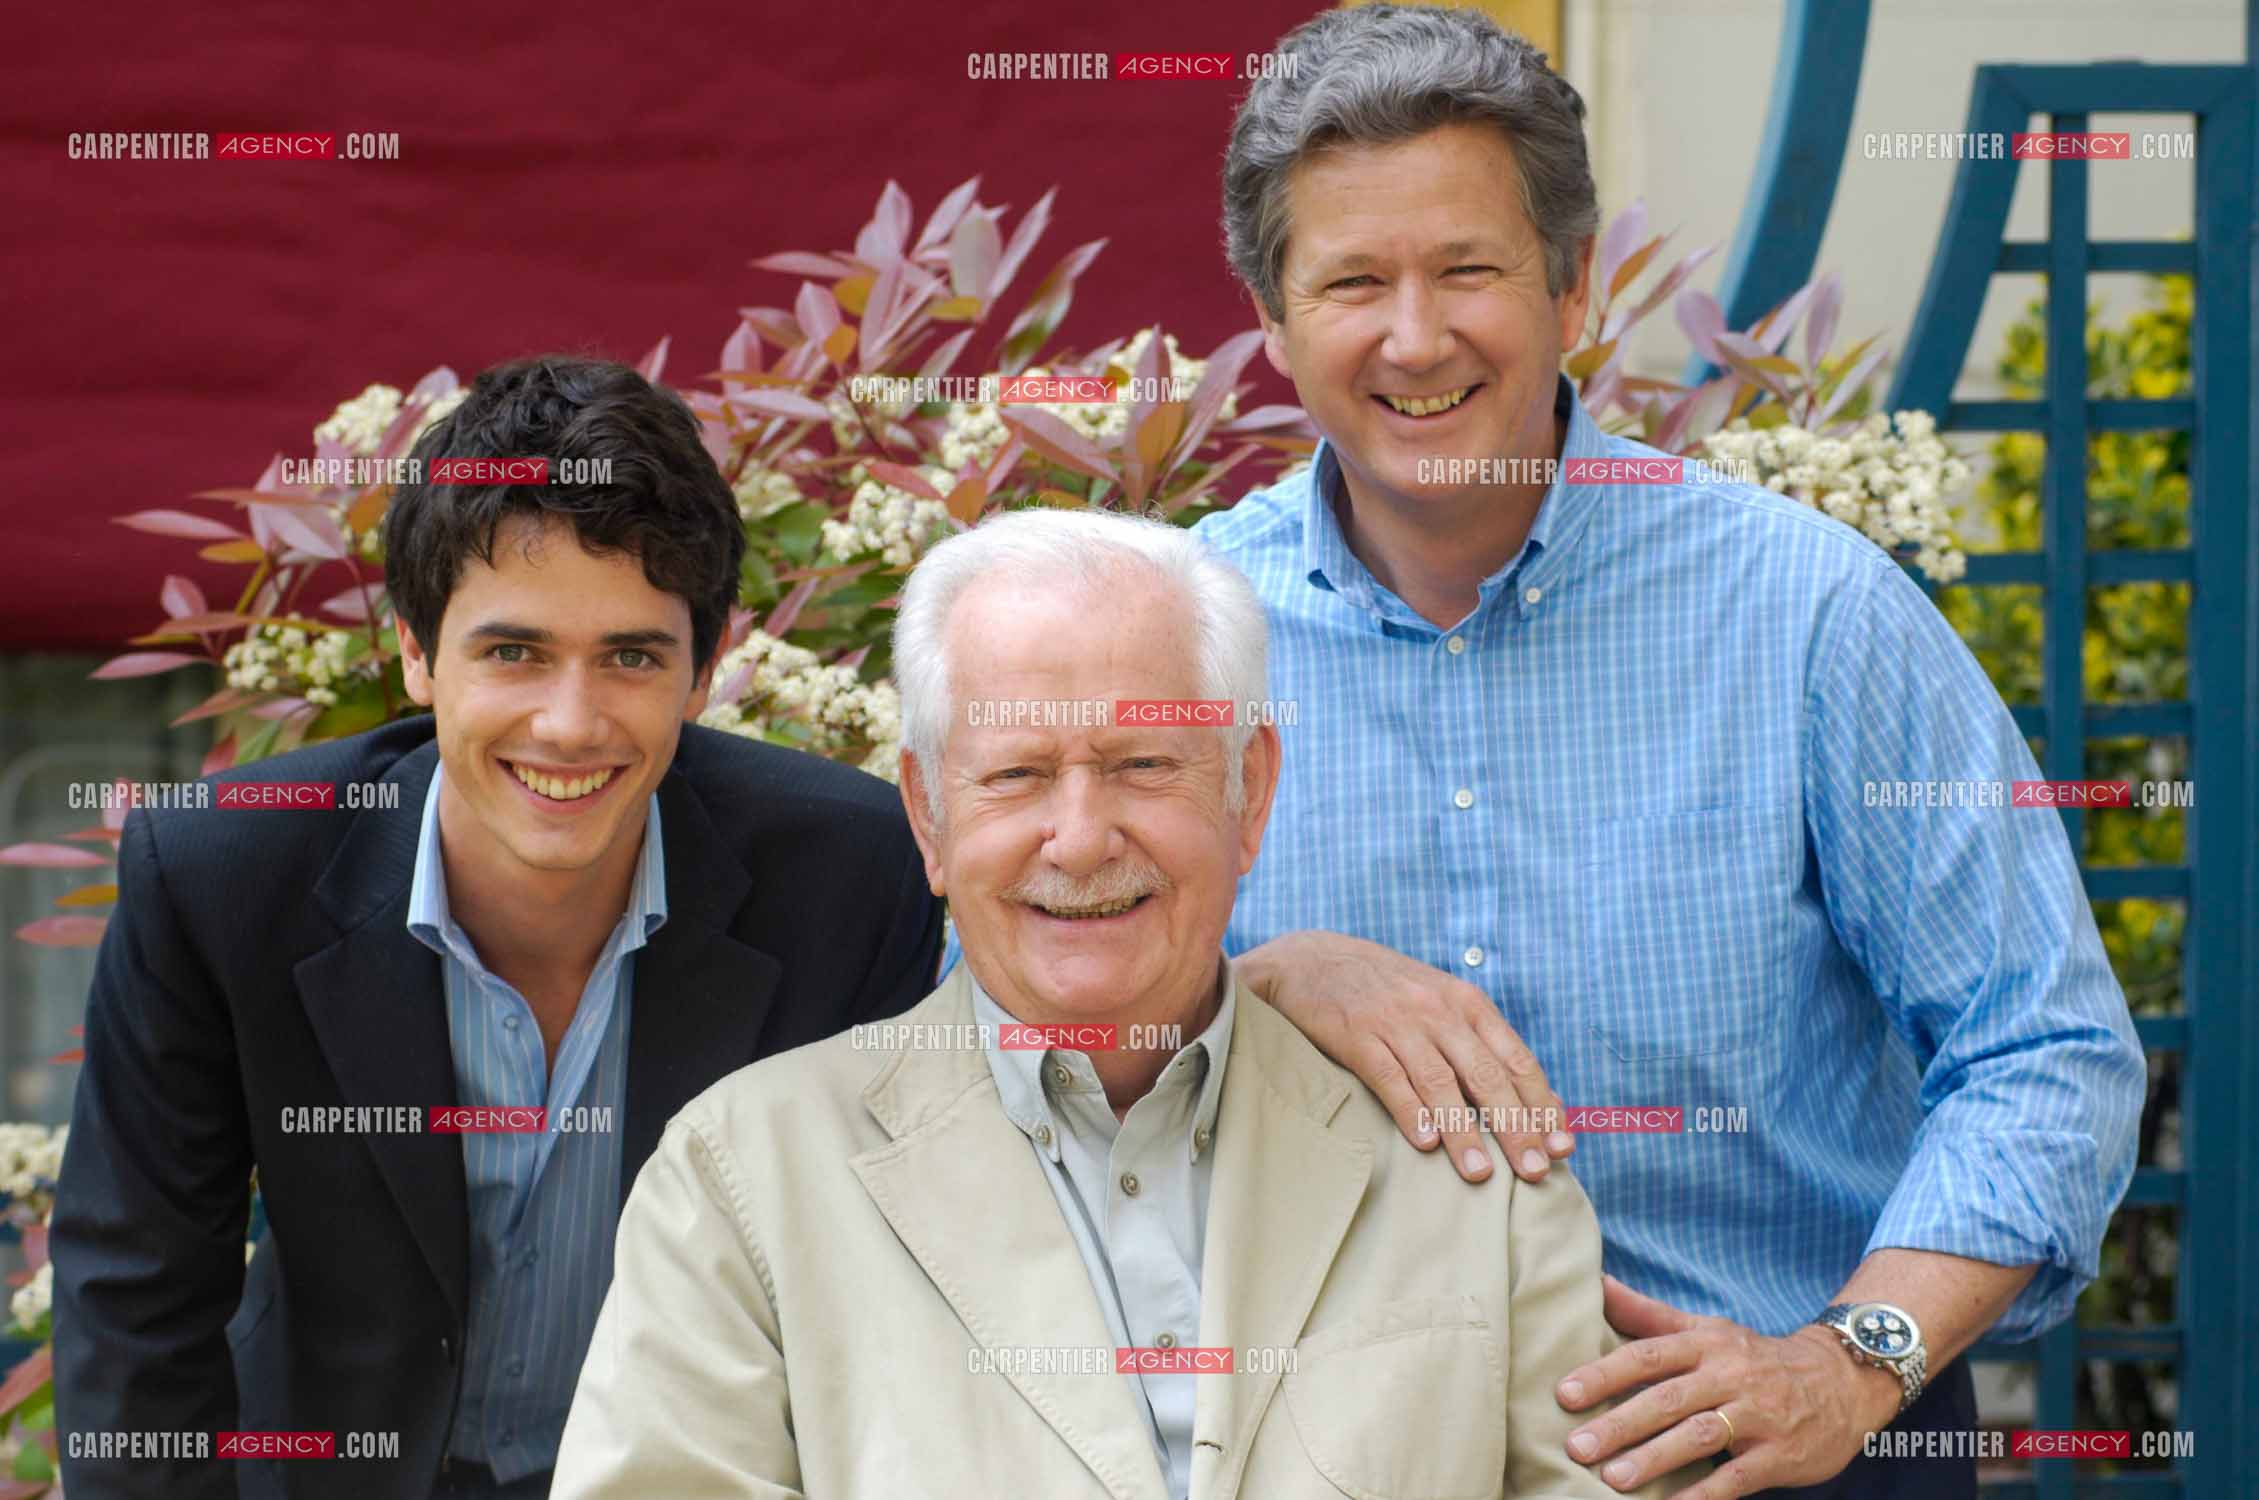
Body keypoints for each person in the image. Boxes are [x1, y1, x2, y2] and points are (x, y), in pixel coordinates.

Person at [1193, 7, 2148, 1497]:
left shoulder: (1810, 614)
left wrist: (1849, 1363)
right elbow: (995, 1048)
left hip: (1789, 1456)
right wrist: (1253, 984)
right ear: (1271, 317)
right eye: (1353, 282)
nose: (1414, 337)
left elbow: (2045, 1049)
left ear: (1572, 285)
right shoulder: (1173, 639)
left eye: (1467, 270)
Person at [551, 508, 1683, 1500]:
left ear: (1249, 792)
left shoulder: (1468, 1165)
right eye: (1017, 775)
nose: (1082, 839)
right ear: (929, 816)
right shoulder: (742, 1176)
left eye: (1144, 765)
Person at [50, 355, 943, 1500]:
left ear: (704, 672)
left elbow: (883, 1295)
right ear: (417, 654)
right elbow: (135, 1298)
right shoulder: (222, 873)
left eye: (631, 656)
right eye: (513, 652)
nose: (569, 724)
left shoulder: (855, 874)